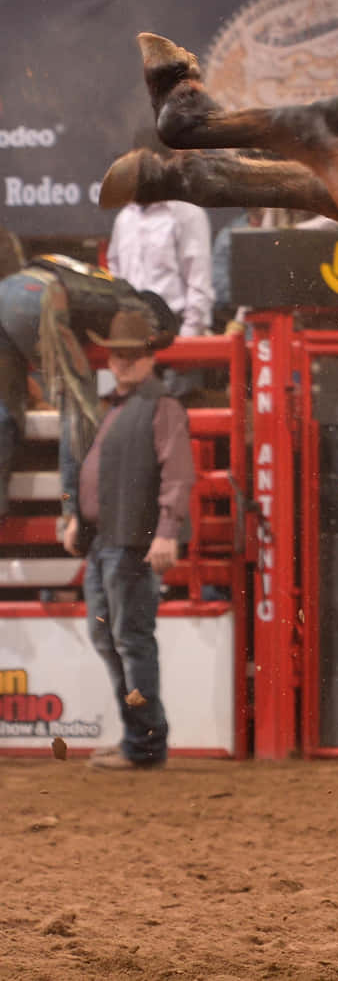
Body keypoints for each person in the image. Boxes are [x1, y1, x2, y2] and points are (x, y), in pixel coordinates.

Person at [60, 307, 194, 770]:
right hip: (107, 540)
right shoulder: (118, 406)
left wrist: (167, 532)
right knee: (115, 639)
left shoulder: (161, 406)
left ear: (148, 357)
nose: (123, 362)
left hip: (132, 542)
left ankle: (145, 744)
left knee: (128, 640)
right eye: (117, 354)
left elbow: (177, 476)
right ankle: (139, 738)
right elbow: (97, 471)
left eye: (131, 355)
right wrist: (80, 516)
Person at [0, 256, 175, 522]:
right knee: (78, 405)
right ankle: (73, 510)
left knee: (5, 404)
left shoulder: (103, 280)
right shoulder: (136, 304)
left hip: (8, 290)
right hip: (43, 299)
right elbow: (138, 337)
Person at [108, 198, 213, 339]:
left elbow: (198, 280)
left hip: (174, 327)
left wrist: (188, 335)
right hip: (132, 329)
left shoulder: (187, 213)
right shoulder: (124, 217)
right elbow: (115, 273)